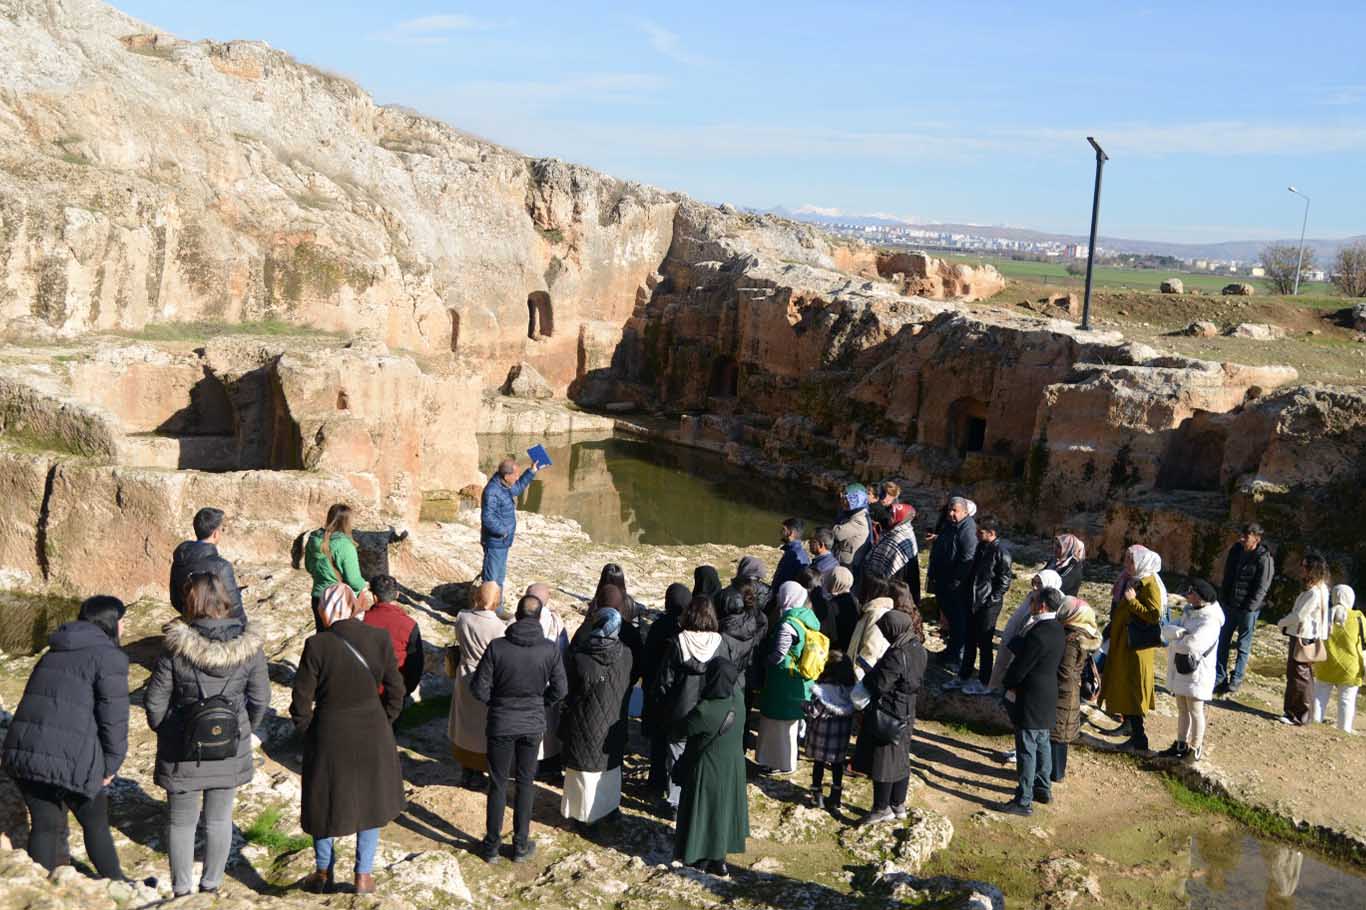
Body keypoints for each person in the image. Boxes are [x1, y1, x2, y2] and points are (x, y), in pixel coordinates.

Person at [145, 574, 269, 896]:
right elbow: (261, 699)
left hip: (183, 750)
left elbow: (155, 701)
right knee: (219, 820)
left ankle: (182, 892)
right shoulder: (249, 647)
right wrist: (242, 730)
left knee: (181, 823)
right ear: (226, 600)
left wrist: (170, 731)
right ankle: (211, 887)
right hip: (228, 747)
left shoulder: (175, 648)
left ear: (192, 602)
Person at [2, 596, 128, 880]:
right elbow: (114, 718)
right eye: (122, 620)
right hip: (69, 756)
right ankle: (118, 884)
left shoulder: (54, 649)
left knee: (45, 824)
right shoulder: (110, 657)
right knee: (95, 821)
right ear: (110, 622)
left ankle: (42, 886)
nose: (124, 626)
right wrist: (110, 765)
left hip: (26, 751)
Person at [291, 583, 405, 895]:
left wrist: (311, 732)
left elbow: (301, 702)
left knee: (322, 801)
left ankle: (323, 872)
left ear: (325, 610)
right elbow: (397, 690)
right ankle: (363, 876)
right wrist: (386, 720)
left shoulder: (316, 645)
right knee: (371, 801)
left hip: (329, 733)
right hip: (373, 730)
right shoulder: (379, 638)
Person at [472, 593, 568, 863]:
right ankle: (520, 844)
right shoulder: (549, 649)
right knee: (526, 783)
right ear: (539, 617)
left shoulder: (497, 647)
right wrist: (541, 703)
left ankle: (491, 846)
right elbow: (561, 689)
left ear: (516, 614)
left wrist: (498, 704)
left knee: (498, 783)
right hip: (532, 722)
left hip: (501, 722)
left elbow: (478, 688)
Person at [559, 600, 634, 830]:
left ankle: (583, 816)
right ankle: (609, 809)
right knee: (609, 773)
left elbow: (568, 691)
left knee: (583, 774)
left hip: (584, 723)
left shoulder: (581, 658)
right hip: (612, 722)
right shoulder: (626, 655)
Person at [851, 608, 927, 824]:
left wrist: (868, 678)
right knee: (901, 756)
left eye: (886, 631)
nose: (884, 635)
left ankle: (880, 809)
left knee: (883, 760)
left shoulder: (897, 653)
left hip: (890, 710)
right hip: (908, 708)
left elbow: (881, 684)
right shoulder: (917, 648)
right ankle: (898, 804)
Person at [673, 659, 748, 877]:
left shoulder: (705, 710)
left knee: (704, 811)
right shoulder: (739, 701)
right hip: (733, 766)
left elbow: (680, 730)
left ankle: (701, 857)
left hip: (707, 766)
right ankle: (719, 859)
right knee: (722, 810)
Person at [654, 595, 729, 811]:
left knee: (676, 754)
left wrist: (662, 705)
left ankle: (675, 801)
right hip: (709, 710)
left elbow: (664, 681)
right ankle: (698, 800)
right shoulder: (719, 644)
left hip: (679, 710)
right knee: (702, 755)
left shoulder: (678, 642)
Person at [999, 587, 1065, 816]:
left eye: (1034, 600)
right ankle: (1043, 788)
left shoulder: (1038, 633)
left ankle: (1023, 800)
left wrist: (1007, 682)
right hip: (1047, 695)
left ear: (1043, 605)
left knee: (1027, 748)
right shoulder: (1058, 629)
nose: (1031, 603)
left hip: (1030, 696)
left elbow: (1021, 667)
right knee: (1043, 744)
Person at [1099, 544, 1166, 753]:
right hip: (1123, 643)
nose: (1127, 564)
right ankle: (1128, 726)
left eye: (1131, 561)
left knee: (1133, 689)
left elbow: (1154, 615)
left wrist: (1133, 602)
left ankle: (1140, 739)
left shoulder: (1150, 584)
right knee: (1123, 684)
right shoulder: (1134, 580)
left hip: (1135, 648)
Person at [757, 581, 821, 774]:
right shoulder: (807, 618)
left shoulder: (787, 625)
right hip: (800, 681)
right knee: (790, 725)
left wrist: (763, 662)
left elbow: (778, 655)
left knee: (778, 725)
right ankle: (787, 761)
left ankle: (779, 764)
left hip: (783, 683)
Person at [1158, 579, 1225, 762]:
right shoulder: (1190, 613)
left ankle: (1195, 747)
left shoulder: (1210, 620)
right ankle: (1181, 743)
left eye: (1191, 592)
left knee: (1195, 710)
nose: (1187, 596)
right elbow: (1168, 630)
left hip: (1197, 673)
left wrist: (1178, 636)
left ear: (1201, 597)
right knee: (1182, 708)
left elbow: (1193, 645)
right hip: (1183, 669)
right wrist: (1179, 634)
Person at [448, 582, 505, 789]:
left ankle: (466, 770)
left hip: (464, 675)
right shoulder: (499, 627)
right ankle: (480, 769)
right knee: (483, 728)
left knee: (465, 724)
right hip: (487, 679)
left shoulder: (462, 616)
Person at [950, 514, 1012, 694]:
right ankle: (964, 675)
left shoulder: (1002, 553)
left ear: (991, 533)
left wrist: (989, 601)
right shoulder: (981, 547)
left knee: (984, 644)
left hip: (987, 606)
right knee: (969, 640)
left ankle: (985, 681)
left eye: (980, 531)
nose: (976, 534)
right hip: (973, 601)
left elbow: (1004, 582)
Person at [1215, 523, 1275, 697]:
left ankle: (1236, 680)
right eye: (1242, 535)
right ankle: (1220, 678)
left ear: (1257, 538)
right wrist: (1224, 599)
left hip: (1248, 610)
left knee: (1243, 645)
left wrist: (1249, 607)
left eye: (1246, 536)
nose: (1242, 539)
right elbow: (1227, 576)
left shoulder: (1264, 558)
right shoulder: (1236, 551)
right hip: (1230, 605)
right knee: (1222, 640)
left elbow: (1262, 587)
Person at [643, 583, 690, 798]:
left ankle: (656, 781)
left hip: (657, 691)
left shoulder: (659, 626)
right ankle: (676, 787)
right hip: (681, 693)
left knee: (658, 741)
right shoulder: (689, 626)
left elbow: (648, 658)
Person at [1276, 553, 1331, 727]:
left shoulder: (1314, 592)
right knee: (1304, 676)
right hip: (1309, 635)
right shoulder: (1322, 589)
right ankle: (1301, 714)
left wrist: (1281, 623)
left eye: (1305, 566)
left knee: (1298, 676)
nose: (1302, 569)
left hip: (1303, 636)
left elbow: (1299, 615)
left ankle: (1297, 715)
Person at [987, 570, 1063, 695]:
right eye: (1034, 582)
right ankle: (996, 688)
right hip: (1013, 638)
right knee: (1002, 664)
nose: (1034, 586)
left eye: (1039, 584)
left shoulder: (1051, 605)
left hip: (1027, 646)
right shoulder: (1031, 597)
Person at [1050, 594, 1101, 781]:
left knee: (1057, 735)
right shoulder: (1086, 635)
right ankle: (1057, 772)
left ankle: (1055, 774)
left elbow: (1065, 671)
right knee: (1061, 735)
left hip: (1063, 692)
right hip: (1071, 691)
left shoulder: (1072, 639)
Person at [480, 456, 546, 591]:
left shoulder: (504, 486)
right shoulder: (492, 491)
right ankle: (486, 608)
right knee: (491, 578)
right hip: (495, 542)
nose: (517, 477)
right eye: (515, 475)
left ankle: (497, 608)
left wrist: (531, 471)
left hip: (503, 542)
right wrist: (503, 531)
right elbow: (487, 518)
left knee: (499, 578)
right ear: (506, 475)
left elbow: (518, 488)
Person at [170, 507, 246, 624]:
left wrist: (191, 616)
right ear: (215, 534)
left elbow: (175, 599)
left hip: (191, 623)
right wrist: (243, 628)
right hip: (215, 629)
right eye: (221, 529)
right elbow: (235, 608)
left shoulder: (180, 556)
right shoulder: (221, 567)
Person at [926, 496, 977, 666]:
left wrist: (956, 581)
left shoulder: (968, 529)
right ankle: (951, 650)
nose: (951, 513)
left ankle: (956, 654)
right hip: (943, 579)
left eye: (955, 510)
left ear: (965, 511)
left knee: (957, 620)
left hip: (955, 584)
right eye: (949, 509)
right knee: (950, 617)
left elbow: (967, 558)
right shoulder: (951, 524)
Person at [528, 582, 572, 777]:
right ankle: (549, 765)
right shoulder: (555, 621)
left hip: (524, 683)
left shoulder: (517, 619)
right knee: (549, 728)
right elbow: (563, 651)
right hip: (549, 683)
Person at [304, 504, 369, 634]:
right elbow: (353, 580)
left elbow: (309, 567)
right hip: (340, 599)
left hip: (318, 596)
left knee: (323, 638)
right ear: (347, 522)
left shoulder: (313, 539)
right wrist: (365, 585)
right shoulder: (345, 545)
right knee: (342, 641)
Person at [805, 651, 856, 811]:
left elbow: (814, 711)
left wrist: (804, 705)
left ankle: (817, 795)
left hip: (821, 737)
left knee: (818, 764)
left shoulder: (822, 690)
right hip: (840, 739)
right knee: (837, 766)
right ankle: (835, 797)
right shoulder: (851, 691)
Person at [362, 573, 424, 701]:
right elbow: (416, 664)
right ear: (397, 595)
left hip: (365, 690)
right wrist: (406, 691)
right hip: (395, 691)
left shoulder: (361, 621)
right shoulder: (409, 624)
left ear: (374, 596)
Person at [1314, 585, 1364, 733]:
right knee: (1346, 700)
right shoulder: (1359, 618)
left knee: (1319, 696)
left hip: (1325, 663)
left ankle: (1314, 724)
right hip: (1350, 666)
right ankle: (1344, 730)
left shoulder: (1324, 615)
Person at [847, 574, 895, 680]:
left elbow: (871, 650)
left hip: (861, 676)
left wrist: (856, 673)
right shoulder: (870, 610)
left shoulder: (877, 613)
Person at [862, 502, 919, 591]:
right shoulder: (892, 530)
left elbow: (896, 565)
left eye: (893, 515)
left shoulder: (900, 537)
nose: (889, 517)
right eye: (890, 513)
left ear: (901, 518)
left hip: (897, 581)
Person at [832, 485, 872, 576]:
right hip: (843, 560)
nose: (843, 502)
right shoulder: (855, 513)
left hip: (847, 564)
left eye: (847, 499)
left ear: (855, 501)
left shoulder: (859, 520)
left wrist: (836, 523)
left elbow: (837, 533)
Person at [823, 566, 862, 652]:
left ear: (834, 582)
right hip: (849, 649)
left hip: (834, 651)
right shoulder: (855, 601)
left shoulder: (831, 606)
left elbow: (829, 633)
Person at [771, 519, 811, 592]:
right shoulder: (800, 552)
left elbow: (781, 580)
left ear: (791, 533)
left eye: (783, 529)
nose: (781, 532)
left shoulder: (792, 555)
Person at [1044, 532, 1086, 598]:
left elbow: (1060, 586)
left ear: (1069, 548)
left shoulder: (1073, 566)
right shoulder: (1055, 560)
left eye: (1059, 546)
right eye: (1055, 545)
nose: (1055, 548)